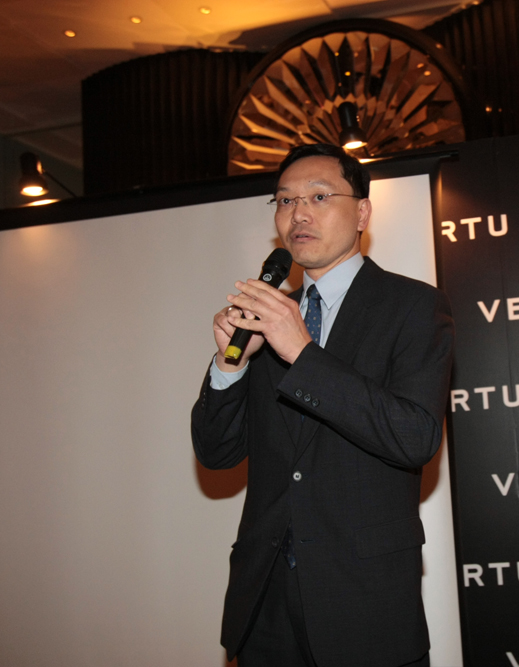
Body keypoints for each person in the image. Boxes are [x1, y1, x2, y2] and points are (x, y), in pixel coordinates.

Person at [191, 143, 454, 667]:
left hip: (365, 602)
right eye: (285, 201)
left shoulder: (414, 306)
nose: (298, 214)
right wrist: (229, 365)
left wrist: (302, 352)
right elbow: (217, 453)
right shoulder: (270, 315)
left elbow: (415, 437)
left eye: (318, 197)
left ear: (362, 213)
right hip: (264, 602)